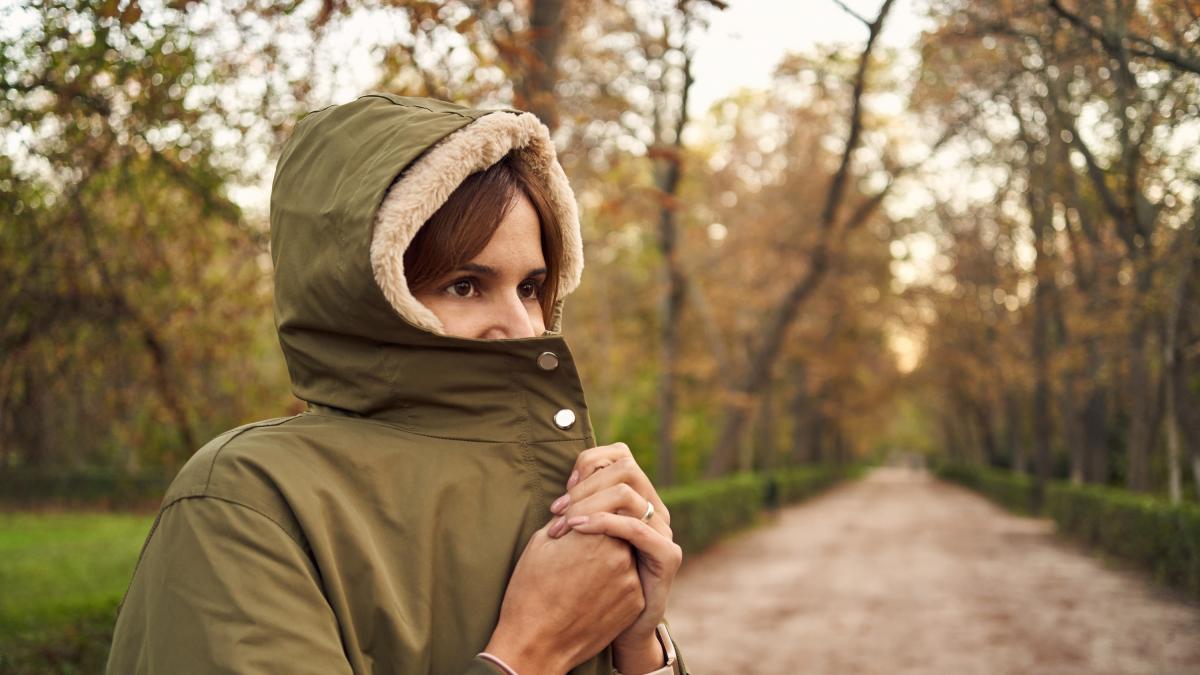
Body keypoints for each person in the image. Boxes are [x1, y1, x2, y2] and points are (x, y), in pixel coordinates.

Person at [106, 93, 689, 675]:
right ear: (366, 295)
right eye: (465, 285)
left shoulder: (562, 481)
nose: (520, 327)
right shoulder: (250, 498)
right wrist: (527, 656)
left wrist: (640, 650)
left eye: (531, 287)